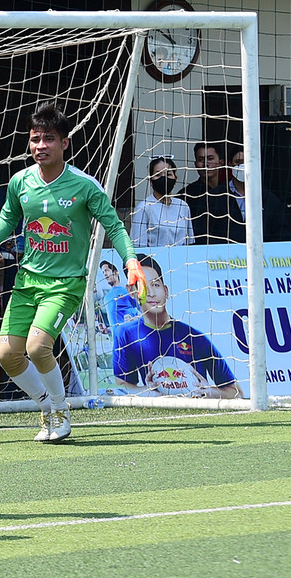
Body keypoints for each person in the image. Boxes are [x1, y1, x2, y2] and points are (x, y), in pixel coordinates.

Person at [0, 102, 144, 443]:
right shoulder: (20, 181)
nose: (40, 146)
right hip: (27, 281)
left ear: (64, 143)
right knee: (7, 355)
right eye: (35, 139)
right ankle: (47, 407)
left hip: (65, 284)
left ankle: (61, 412)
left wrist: (131, 262)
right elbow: (8, 218)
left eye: (48, 139)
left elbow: (114, 226)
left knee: (37, 347)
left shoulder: (84, 185)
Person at [113, 254, 240, 398]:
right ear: (132, 292)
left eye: (155, 285)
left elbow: (236, 392)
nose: (152, 294)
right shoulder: (126, 334)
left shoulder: (194, 336)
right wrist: (148, 392)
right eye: (144, 287)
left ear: (166, 291)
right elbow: (121, 387)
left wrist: (210, 392)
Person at [225, 148, 291, 243]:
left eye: (248, 162)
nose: (243, 166)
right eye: (238, 162)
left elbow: (282, 236)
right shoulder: (215, 197)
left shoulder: (270, 200)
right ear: (230, 164)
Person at [130, 156, 192, 248]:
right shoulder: (143, 208)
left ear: (176, 179)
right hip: (155, 256)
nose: (164, 178)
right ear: (151, 181)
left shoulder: (183, 206)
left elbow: (189, 242)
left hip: (181, 256)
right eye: (158, 174)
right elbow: (138, 246)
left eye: (168, 174)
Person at [180, 141, 229, 245]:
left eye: (210, 159)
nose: (206, 164)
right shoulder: (185, 195)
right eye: (200, 160)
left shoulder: (230, 192)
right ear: (195, 164)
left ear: (221, 162)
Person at [100, 260, 141, 328]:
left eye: (106, 270)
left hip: (131, 331)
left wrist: (135, 319)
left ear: (116, 272)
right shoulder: (106, 298)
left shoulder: (127, 291)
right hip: (116, 334)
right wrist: (107, 329)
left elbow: (142, 310)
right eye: (103, 272)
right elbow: (113, 322)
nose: (105, 274)